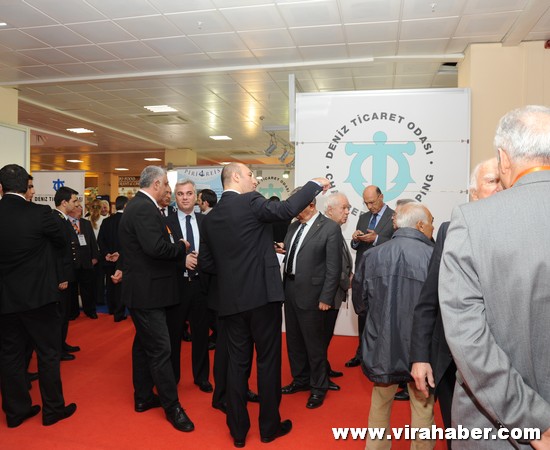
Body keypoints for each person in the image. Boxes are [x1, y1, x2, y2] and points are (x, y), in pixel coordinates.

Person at [439, 105, 550, 449]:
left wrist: (535, 424)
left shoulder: (472, 221)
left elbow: (469, 340)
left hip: (494, 430)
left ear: (504, 158)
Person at [198, 162, 330, 447]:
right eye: (250, 175)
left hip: (231, 301)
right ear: (235, 177)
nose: (254, 180)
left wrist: (236, 268)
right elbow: (286, 209)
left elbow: (206, 263)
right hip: (262, 298)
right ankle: (269, 428)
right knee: (268, 362)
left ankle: (238, 431)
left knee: (236, 365)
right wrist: (314, 185)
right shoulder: (250, 202)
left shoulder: (210, 218)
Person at [410, 157, 501, 446]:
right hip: (452, 362)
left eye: (503, 180)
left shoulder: (524, 230)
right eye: (492, 181)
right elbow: (429, 299)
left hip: (503, 361)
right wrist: (420, 357)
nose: (500, 187)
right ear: (473, 192)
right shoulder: (449, 231)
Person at [113, 165, 194, 433]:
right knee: (161, 349)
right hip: (146, 293)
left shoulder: (140, 206)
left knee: (143, 346)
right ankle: (173, 408)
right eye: (167, 185)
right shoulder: (144, 208)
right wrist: (180, 247)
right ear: (157, 184)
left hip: (146, 291)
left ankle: (143, 396)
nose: (168, 190)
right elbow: (156, 248)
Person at [0, 164, 77, 427]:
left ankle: (15, 412)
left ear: (1, 187)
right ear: (26, 186)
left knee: (10, 355)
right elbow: (62, 241)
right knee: (48, 353)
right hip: (39, 297)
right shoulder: (40, 213)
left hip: (5, 299)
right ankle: (52, 409)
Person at [355, 202, 435, 450]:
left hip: (383, 344)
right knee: (423, 406)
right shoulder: (434, 257)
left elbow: (360, 304)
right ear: (420, 225)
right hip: (421, 349)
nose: (433, 228)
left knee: (380, 402)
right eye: (431, 222)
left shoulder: (372, 255)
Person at [280, 189, 342, 409]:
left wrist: (326, 297)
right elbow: (293, 252)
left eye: (296, 204)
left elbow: (334, 267)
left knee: (314, 345)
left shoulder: (330, 228)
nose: (292, 209)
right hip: (290, 288)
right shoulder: (293, 226)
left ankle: (318, 387)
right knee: (294, 340)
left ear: (311, 205)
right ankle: (300, 380)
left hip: (314, 295)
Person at [165, 180, 212, 392]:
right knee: (173, 334)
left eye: (189, 193)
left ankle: (202, 377)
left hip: (201, 285)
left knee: (201, 334)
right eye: (180, 194)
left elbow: (215, 251)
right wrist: (181, 261)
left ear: (196, 197)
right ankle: (172, 377)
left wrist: (203, 261)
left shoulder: (206, 221)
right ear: (175, 197)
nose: (185, 197)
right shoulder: (165, 222)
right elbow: (160, 254)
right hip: (176, 286)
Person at [346, 185, 395, 368]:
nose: (369, 206)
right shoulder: (364, 217)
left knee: (382, 318)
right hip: (363, 275)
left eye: (372, 202)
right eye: (366, 203)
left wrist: (376, 239)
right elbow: (356, 247)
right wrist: (355, 239)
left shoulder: (394, 216)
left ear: (381, 197)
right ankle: (361, 353)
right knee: (363, 315)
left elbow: (397, 244)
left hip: (383, 276)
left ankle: (380, 355)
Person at [323, 192, 353, 382]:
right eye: (344, 208)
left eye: (348, 208)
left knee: (325, 336)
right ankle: (319, 376)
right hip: (328, 294)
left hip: (335, 293)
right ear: (330, 210)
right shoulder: (327, 231)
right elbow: (330, 265)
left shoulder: (334, 229)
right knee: (321, 337)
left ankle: (322, 369)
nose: (347, 212)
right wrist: (347, 281)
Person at [52, 186, 81, 360]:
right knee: (60, 315)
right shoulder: (56, 220)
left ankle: (62, 343)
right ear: (64, 202)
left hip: (68, 273)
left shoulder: (63, 219)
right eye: (74, 201)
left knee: (65, 313)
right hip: (62, 276)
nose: (77, 204)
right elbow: (57, 252)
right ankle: (57, 349)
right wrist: (61, 277)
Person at [97, 195, 128, 322]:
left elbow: (100, 240)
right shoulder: (128, 221)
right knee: (121, 286)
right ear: (126, 205)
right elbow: (128, 242)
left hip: (108, 259)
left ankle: (111, 309)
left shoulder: (106, 221)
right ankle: (119, 313)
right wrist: (119, 254)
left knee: (110, 285)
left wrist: (107, 254)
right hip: (123, 259)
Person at [68, 203, 100, 320]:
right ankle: (73, 312)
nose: (80, 209)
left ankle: (90, 310)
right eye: (77, 207)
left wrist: (95, 256)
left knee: (88, 288)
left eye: (81, 207)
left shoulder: (86, 223)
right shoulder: (65, 223)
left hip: (86, 261)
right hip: (72, 262)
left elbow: (92, 241)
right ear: (71, 209)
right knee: (72, 289)